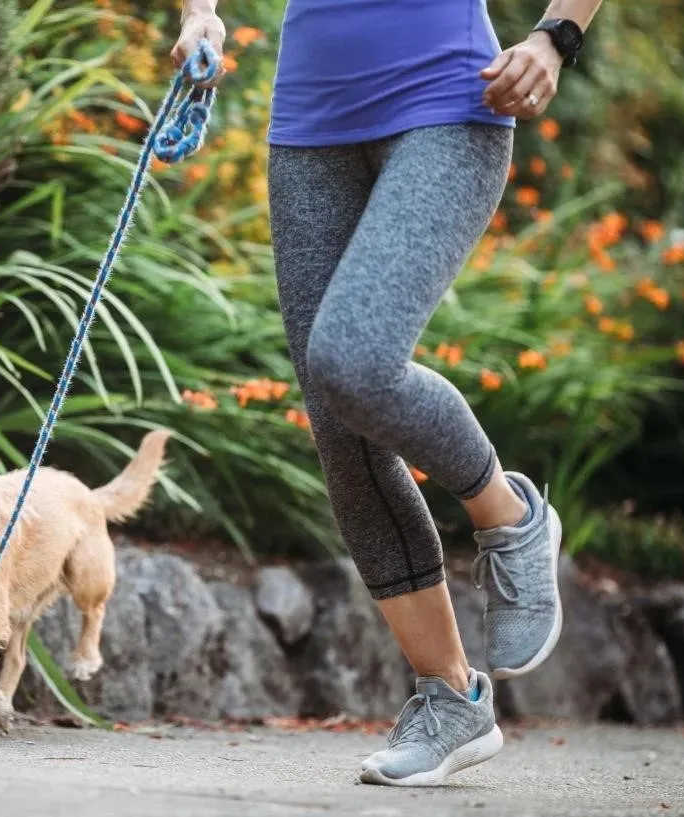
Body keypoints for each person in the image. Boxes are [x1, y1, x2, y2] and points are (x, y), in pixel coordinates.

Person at [171, 0, 603, 788]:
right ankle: (451, 698)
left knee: (354, 360)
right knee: (341, 429)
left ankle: (509, 517)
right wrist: (202, 14)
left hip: (449, 100)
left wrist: (556, 35)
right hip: (308, 121)